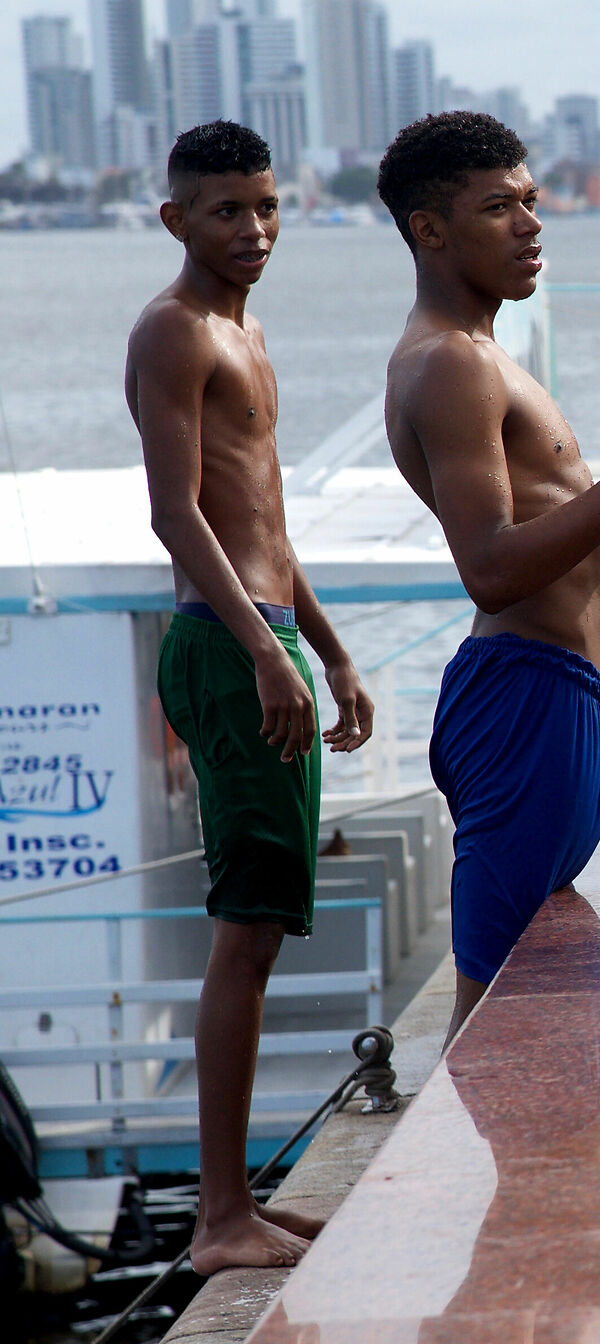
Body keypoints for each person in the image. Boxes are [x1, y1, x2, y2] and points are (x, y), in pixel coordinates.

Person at [377, 112, 600, 1041]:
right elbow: (492, 570)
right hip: (524, 704)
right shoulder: (452, 364)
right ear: (429, 230)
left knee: (562, 1006)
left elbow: (574, 561)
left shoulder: (485, 356)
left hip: (568, 691)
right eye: (499, 207)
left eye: (531, 202)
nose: (532, 224)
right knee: (501, 1011)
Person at [129, 121, 373, 1274]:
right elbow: (176, 515)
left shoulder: (247, 328)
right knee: (246, 929)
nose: (255, 228)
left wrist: (326, 646)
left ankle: (240, 1203)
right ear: (175, 217)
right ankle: (219, 1217)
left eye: (266, 206)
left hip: (266, 635)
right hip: (225, 646)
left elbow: (265, 522)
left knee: (264, 925)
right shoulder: (173, 333)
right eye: (227, 209)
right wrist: (266, 655)